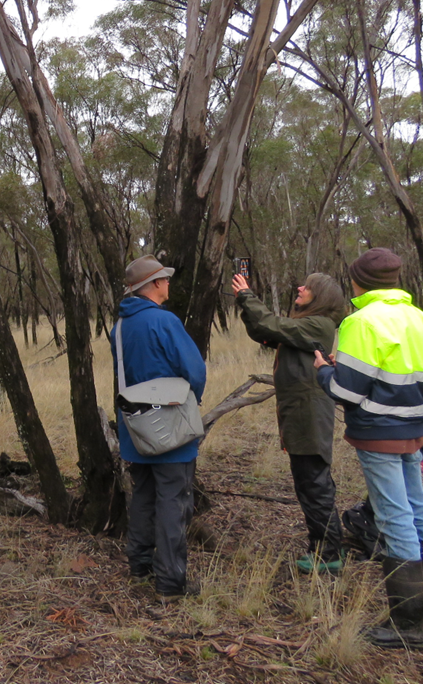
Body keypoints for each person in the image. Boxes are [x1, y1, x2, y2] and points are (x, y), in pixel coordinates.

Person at [312, 247, 423, 650]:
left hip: (378, 433)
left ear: (357, 282)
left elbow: (345, 391)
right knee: (418, 509)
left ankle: (408, 625)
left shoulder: (360, 322)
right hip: (415, 430)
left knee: (394, 517)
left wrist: (325, 370)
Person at [230, 269, 349, 574]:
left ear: (319, 297)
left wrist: (247, 295)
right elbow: (264, 332)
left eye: (307, 288)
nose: (299, 288)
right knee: (309, 482)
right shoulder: (305, 325)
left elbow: (272, 325)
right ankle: (323, 547)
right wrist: (245, 305)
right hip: (300, 413)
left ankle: (328, 553)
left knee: (314, 483)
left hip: (308, 413)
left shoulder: (318, 325)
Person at [113, 255, 207, 598]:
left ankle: (139, 566)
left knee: (143, 495)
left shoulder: (120, 326)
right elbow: (195, 371)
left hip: (135, 428)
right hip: (171, 428)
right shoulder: (164, 322)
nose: (168, 284)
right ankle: (170, 581)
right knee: (173, 499)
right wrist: (191, 400)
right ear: (153, 285)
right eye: (164, 279)